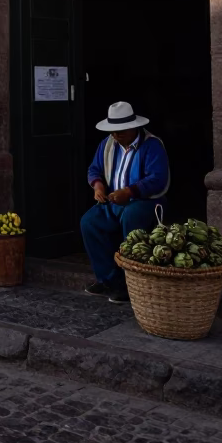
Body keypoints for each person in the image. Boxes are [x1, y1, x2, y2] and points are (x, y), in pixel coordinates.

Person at [80, 101, 170, 303]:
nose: (116, 136)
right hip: (115, 201)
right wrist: (98, 186)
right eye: (113, 131)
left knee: (132, 218)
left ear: (133, 127)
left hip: (146, 202)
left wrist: (130, 192)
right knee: (89, 222)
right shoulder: (108, 144)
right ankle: (108, 280)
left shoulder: (152, 145)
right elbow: (94, 169)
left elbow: (157, 179)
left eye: (120, 131)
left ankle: (130, 284)